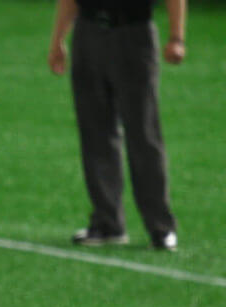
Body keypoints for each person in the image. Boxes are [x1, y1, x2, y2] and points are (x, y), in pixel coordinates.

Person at [49, 0, 186, 251]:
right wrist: (59, 39)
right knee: (95, 131)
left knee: (143, 134)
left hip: (134, 33)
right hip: (88, 31)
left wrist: (177, 37)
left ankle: (161, 226)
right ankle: (107, 222)